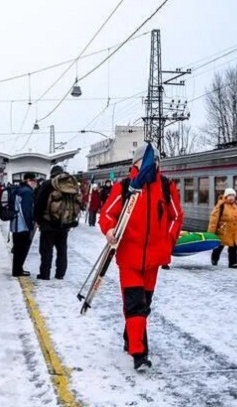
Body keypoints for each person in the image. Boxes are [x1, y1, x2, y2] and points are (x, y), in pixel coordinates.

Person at [99, 143, 183, 371]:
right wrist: (109, 231)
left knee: (143, 305)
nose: (150, 165)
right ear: (134, 163)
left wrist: (168, 240)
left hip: (154, 259)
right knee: (135, 304)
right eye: (145, 161)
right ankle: (139, 353)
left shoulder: (166, 186)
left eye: (155, 161)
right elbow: (107, 213)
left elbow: (176, 217)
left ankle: (130, 337)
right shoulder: (125, 187)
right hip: (129, 257)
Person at [33, 165, 82, 280]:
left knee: (46, 250)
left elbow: (39, 203)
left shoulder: (48, 184)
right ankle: (60, 273)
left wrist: (38, 219)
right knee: (62, 250)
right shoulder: (70, 184)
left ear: (52, 173)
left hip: (48, 223)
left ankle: (45, 274)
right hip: (65, 223)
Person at [207, 188, 237, 269]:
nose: (231, 197)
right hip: (223, 230)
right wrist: (211, 233)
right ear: (225, 196)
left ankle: (233, 263)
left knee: (234, 247)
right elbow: (214, 220)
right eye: (229, 195)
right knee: (219, 246)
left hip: (234, 231)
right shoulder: (221, 205)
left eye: (233, 195)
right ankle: (214, 258)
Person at [10, 173, 38, 277]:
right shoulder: (27, 192)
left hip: (16, 224)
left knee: (18, 248)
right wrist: (30, 225)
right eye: (34, 181)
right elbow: (26, 210)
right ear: (29, 181)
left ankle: (18, 269)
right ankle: (17, 271)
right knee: (21, 249)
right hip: (22, 225)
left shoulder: (20, 189)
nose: (35, 184)